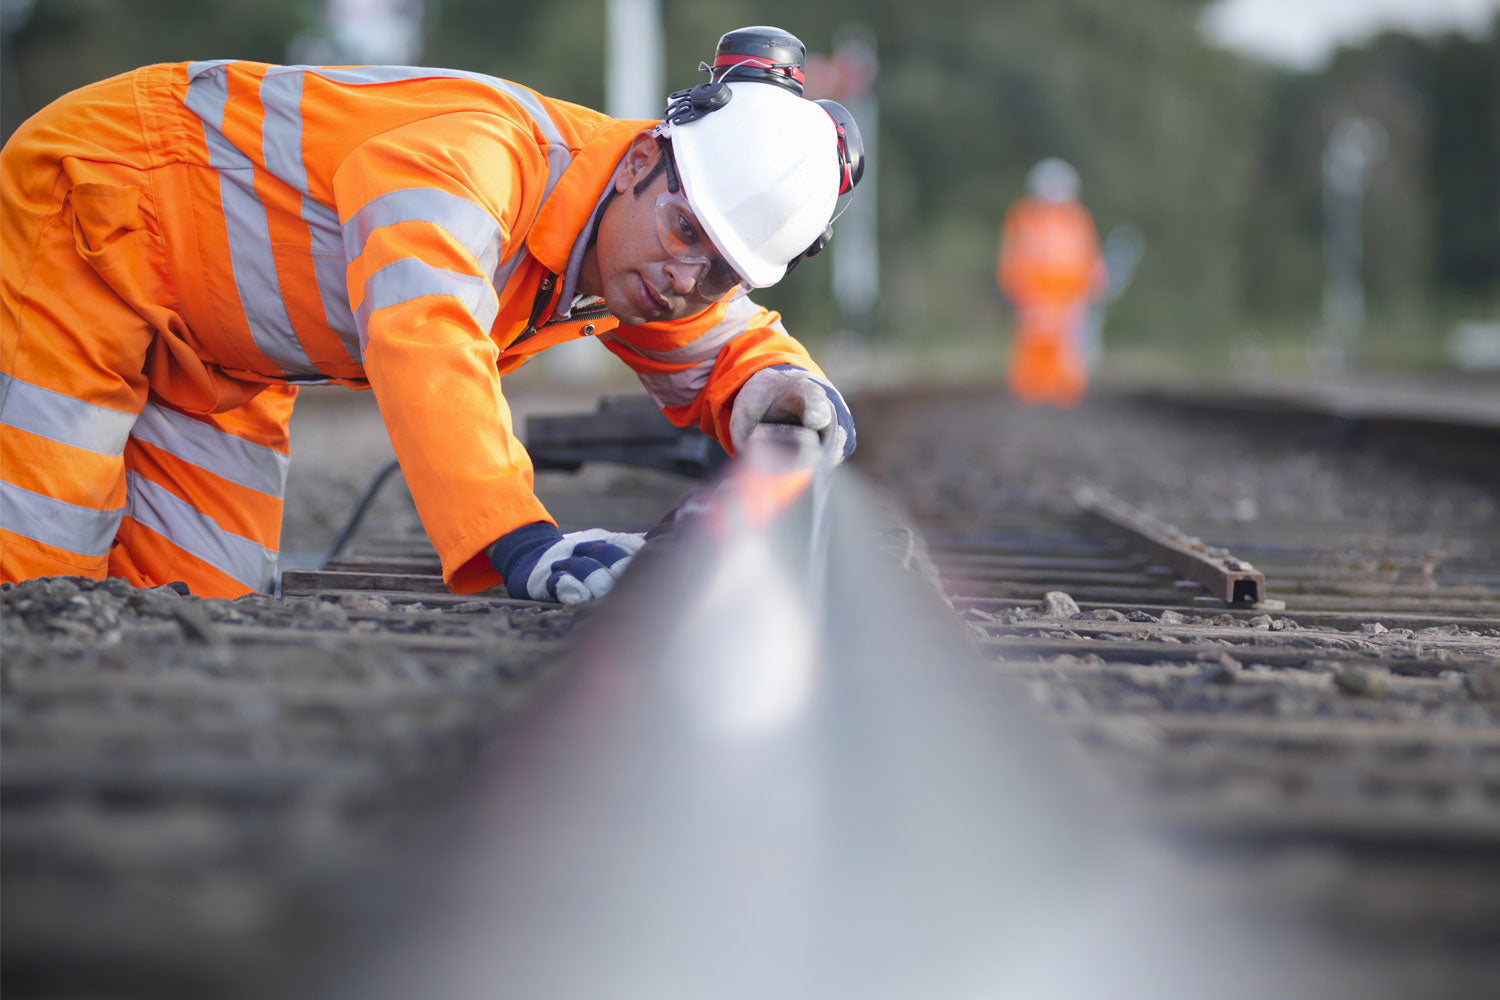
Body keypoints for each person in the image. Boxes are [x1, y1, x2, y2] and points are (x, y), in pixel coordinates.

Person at [0, 26, 861, 603]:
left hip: (224, 357)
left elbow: (726, 351)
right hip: (98, 212)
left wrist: (786, 395)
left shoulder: (635, 250)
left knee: (192, 605)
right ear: (643, 158)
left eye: (719, 271)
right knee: (40, 577)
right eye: (685, 233)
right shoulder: (481, 160)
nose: (683, 279)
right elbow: (429, 331)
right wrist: (521, 539)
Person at [996, 157, 1107, 407]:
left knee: (1067, 350)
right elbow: (1011, 255)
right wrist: (1014, 287)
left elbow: (1089, 253)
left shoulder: (1077, 217)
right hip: (1034, 297)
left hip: (1069, 299)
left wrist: (1095, 280)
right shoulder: (1023, 216)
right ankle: (1031, 393)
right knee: (1035, 345)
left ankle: (1065, 394)